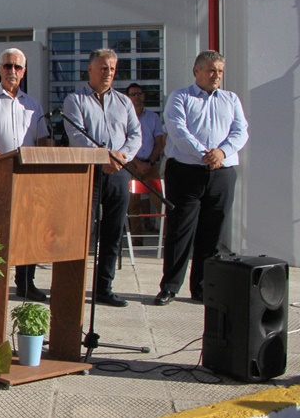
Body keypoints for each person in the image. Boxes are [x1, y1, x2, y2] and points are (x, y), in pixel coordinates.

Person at [153, 51, 248, 306]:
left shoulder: (230, 99)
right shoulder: (180, 97)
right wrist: (204, 153)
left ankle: (203, 288)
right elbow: (177, 129)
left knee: (213, 233)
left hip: (222, 173)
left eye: (219, 71)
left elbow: (241, 131)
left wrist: (221, 152)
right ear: (197, 72)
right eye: (210, 70)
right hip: (186, 171)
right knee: (180, 231)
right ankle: (170, 287)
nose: (216, 75)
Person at [62, 48, 141, 307]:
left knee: (113, 231)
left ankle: (104, 288)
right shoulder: (75, 100)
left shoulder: (124, 102)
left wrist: (122, 156)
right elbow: (77, 136)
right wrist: (102, 156)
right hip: (89, 172)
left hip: (118, 173)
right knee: (84, 231)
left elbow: (135, 135)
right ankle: (73, 287)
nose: (109, 73)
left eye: (112, 69)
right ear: (91, 70)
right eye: (103, 68)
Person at [0, 48, 50, 302]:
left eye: (17, 67)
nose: (12, 71)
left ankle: (25, 283)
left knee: (27, 232)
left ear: (24, 72)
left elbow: (44, 139)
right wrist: (2, 163)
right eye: (7, 66)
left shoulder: (33, 105)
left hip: (28, 179)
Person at [125, 83, 166, 241]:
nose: (136, 97)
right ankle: (136, 239)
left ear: (143, 96)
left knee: (160, 202)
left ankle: (166, 238)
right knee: (132, 204)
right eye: (133, 94)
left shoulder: (152, 117)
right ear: (128, 98)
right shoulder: (125, 117)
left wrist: (149, 162)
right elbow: (123, 143)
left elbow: (159, 142)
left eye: (139, 93)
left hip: (150, 165)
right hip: (132, 166)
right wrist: (137, 163)